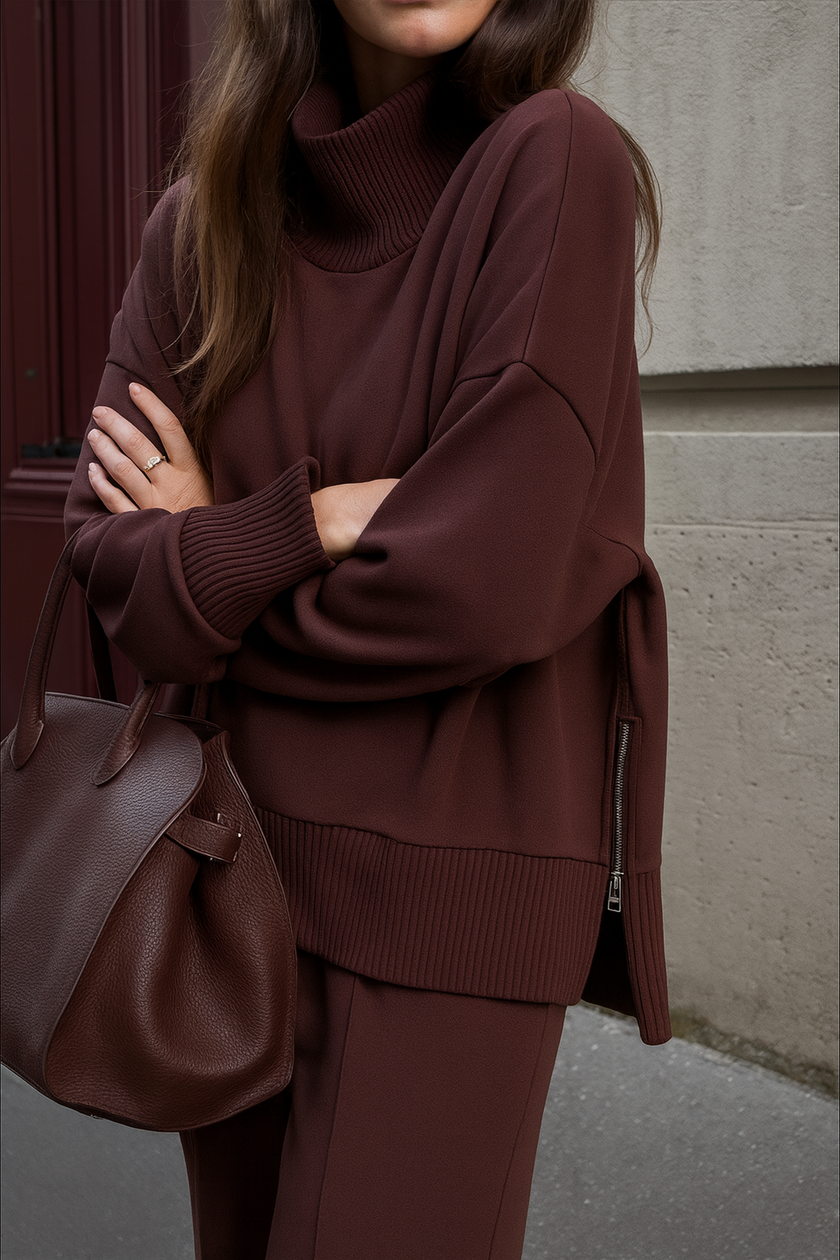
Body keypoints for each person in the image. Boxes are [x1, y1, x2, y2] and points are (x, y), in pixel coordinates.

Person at [64, 1, 670, 1256]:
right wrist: (310, 525)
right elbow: (112, 557)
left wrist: (213, 560)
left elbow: (482, 580)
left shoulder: (556, 161)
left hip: (452, 901)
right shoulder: (201, 226)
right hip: (225, 884)